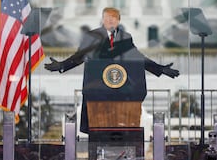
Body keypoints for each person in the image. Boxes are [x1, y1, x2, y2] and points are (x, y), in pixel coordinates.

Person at [45, 7, 180, 133]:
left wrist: (160, 69)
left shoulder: (125, 37)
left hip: (121, 94)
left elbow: (138, 57)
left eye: (114, 18)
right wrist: (62, 65)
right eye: (108, 17)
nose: (111, 20)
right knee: (97, 130)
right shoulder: (92, 36)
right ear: (103, 19)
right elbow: (80, 56)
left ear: (119, 21)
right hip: (97, 91)